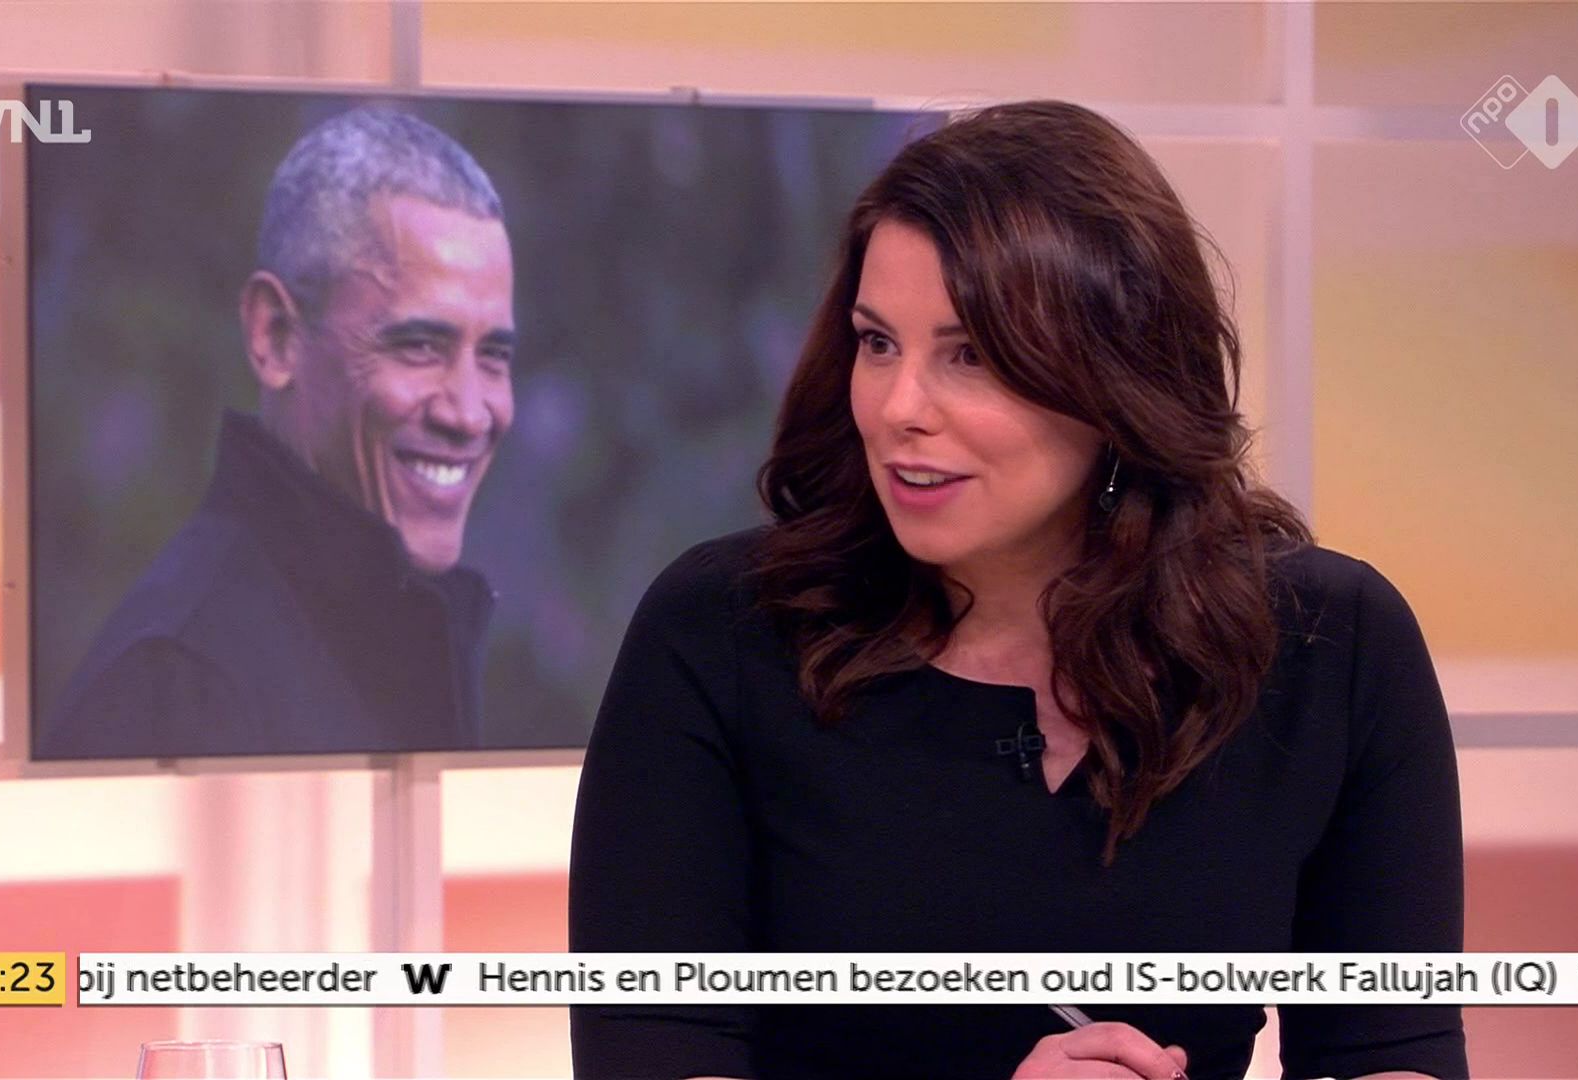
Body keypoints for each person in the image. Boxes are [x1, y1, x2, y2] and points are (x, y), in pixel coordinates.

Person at [568, 101, 1466, 1080]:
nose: (900, 408)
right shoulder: (721, 632)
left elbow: (1392, 1054)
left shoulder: (1328, 645)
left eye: (972, 355)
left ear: (1117, 379)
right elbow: (653, 1054)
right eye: (878, 343)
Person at [34, 106, 516, 759]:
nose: (470, 413)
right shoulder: (176, 685)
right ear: (276, 337)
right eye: (420, 346)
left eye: (494, 356)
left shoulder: (395, 635)